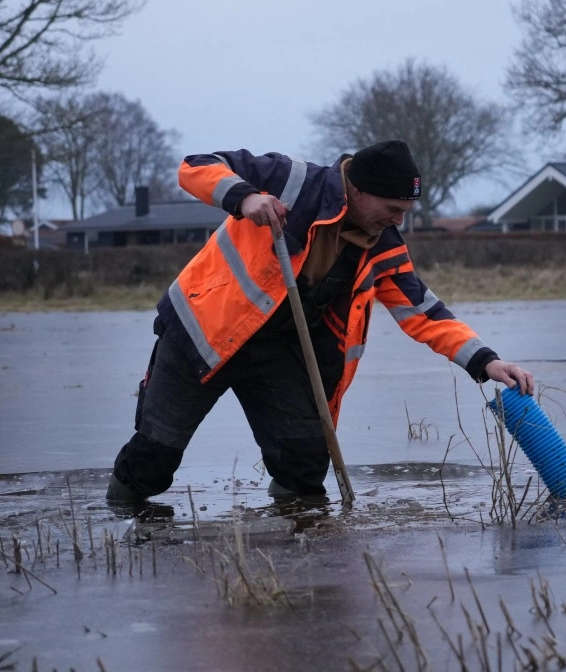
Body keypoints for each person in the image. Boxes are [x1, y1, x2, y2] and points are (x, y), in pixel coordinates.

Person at [106, 140, 535, 502]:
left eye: (405, 211)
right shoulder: (291, 180)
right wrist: (245, 197)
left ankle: (298, 552)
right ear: (359, 191)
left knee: (305, 464)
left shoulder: (382, 245)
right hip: (201, 335)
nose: (398, 221)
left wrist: (486, 362)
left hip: (275, 353)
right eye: (393, 208)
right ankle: (123, 523)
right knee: (153, 458)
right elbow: (196, 166)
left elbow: (423, 312)